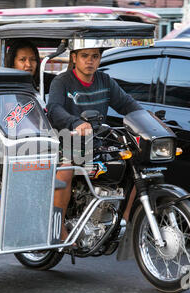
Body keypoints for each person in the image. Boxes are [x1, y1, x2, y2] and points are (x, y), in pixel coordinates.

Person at [46, 47, 143, 241]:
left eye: (95, 56)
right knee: (66, 169)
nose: (90, 61)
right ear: (74, 57)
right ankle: (57, 226)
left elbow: (127, 104)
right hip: (67, 139)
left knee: (137, 162)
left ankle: (123, 221)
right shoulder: (62, 82)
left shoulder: (104, 81)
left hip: (98, 140)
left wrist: (148, 120)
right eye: (84, 56)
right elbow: (54, 109)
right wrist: (76, 122)